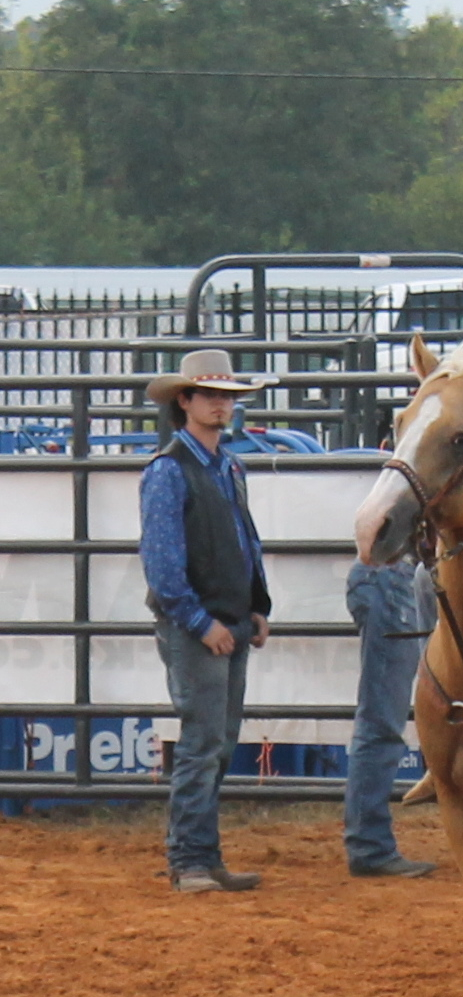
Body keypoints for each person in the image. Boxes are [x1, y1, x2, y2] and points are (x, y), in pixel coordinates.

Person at [139, 350, 275, 893]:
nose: (223, 405)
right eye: (212, 396)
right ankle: (191, 859)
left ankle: (198, 855)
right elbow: (164, 567)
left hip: (224, 622)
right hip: (203, 625)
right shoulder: (171, 470)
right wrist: (201, 622)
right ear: (186, 402)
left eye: (228, 397)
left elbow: (246, 542)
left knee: (213, 742)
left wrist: (256, 606)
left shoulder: (222, 465)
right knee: (205, 743)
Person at [342, 556, 438, 878]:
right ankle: (369, 845)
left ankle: (369, 842)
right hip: (394, 576)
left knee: (383, 713)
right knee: (382, 717)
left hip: (400, 576)